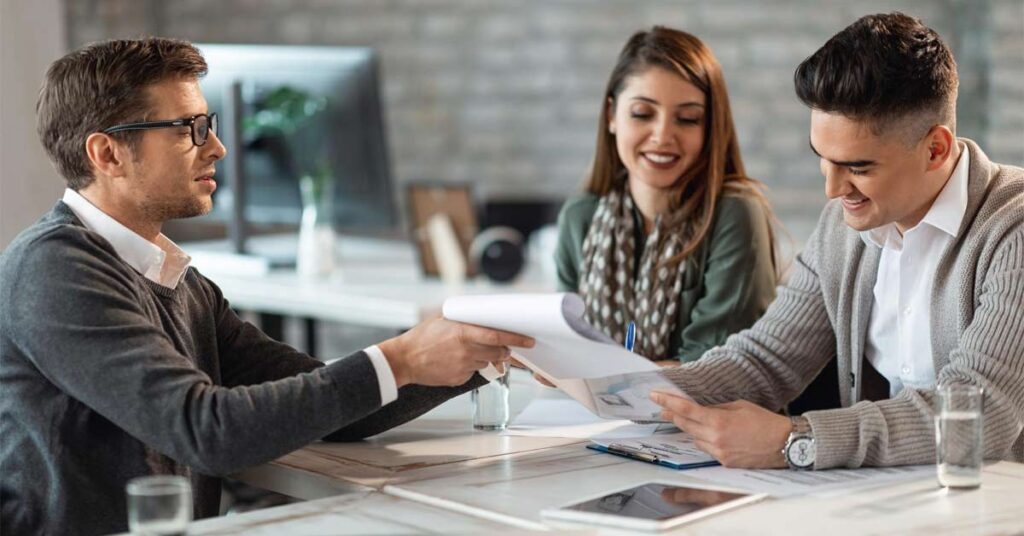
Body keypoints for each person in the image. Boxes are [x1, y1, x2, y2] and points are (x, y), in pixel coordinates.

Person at [0, 38, 533, 536]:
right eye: (190, 128)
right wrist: (400, 358)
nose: (219, 148)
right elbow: (206, 431)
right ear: (108, 154)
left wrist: (481, 350)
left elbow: (337, 407)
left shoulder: (176, 279)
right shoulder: (53, 269)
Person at [651, 12, 1024, 470]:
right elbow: (765, 360)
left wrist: (795, 441)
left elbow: (980, 413)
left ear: (936, 149)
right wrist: (616, 384)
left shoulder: (1013, 230)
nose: (832, 190)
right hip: (892, 501)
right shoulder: (844, 225)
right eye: (823, 160)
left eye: (858, 167)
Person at [554, 26, 779, 366]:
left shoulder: (735, 214)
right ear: (612, 116)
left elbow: (714, 367)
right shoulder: (579, 217)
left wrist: (596, 374)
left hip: (710, 416)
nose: (662, 136)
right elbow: (566, 344)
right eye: (642, 114)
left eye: (688, 119)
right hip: (599, 415)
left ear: (710, 128)